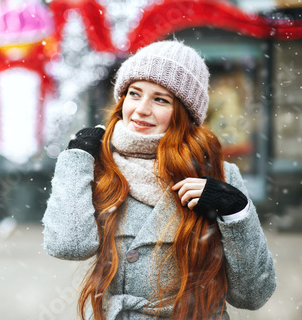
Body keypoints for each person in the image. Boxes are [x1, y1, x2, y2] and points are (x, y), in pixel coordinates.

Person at [42, 40, 276, 320]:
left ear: (184, 112)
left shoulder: (218, 174)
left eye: (160, 99)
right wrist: (76, 159)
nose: (141, 109)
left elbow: (252, 296)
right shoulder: (100, 166)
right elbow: (68, 246)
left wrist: (237, 213)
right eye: (134, 93)